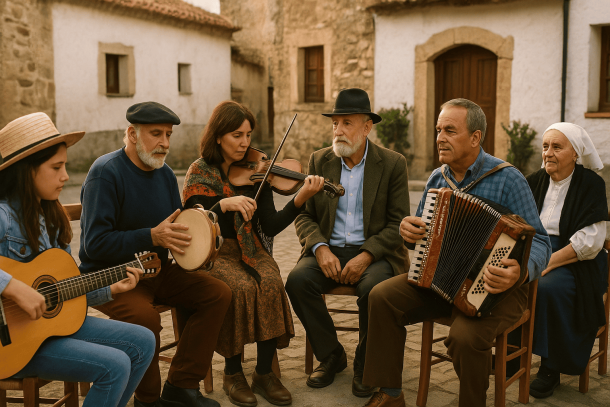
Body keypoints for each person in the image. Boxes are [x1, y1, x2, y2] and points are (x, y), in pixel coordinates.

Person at [361, 98, 552, 407]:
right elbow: (421, 233)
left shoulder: (508, 179)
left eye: (450, 130)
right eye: (438, 130)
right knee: (381, 297)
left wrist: (521, 270)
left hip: (497, 290)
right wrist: (408, 232)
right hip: (440, 282)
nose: (440, 138)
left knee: (464, 337)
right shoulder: (438, 178)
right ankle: (391, 393)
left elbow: (541, 241)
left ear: (475, 138)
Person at [78, 102, 232, 407]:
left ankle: (181, 385)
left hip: (157, 269)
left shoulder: (164, 174)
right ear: (132, 134)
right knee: (145, 318)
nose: (164, 142)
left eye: (168, 134)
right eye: (156, 134)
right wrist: (150, 236)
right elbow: (94, 244)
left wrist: (197, 238)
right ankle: (147, 400)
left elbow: (173, 226)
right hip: (113, 277)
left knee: (217, 293)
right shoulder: (105, 172)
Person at [0, 112, 155, 407]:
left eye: (65, 166)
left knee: (143, 342)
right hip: (13, 344)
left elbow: (63, 291)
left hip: (45, 332)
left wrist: (110, 288)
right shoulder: (4, 216)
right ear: (26, 171)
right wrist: (13, 287)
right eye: (56, 167)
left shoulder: (50, 218)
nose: (66, 176)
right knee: (115, 365)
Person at [182, 100, 324, 407]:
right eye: (237, 135)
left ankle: (263, 373)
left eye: (248, 135)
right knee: (238, 287)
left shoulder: (258, 171)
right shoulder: (199, 171)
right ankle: (232, 373)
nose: (245, 142)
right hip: (213, 253)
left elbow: (270, 225)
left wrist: (300, 198)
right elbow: (193, 222)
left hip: (249, 248)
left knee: (271, 281)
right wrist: (222, 205)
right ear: (218, 136)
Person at [285, 88, 410, 398]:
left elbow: (398, 223)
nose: (338, 130)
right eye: (335, 123)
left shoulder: (392, 163)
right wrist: (320, 248)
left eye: (346, 123)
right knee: (297, 281)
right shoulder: (319, 160)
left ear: (367, 127)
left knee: (375, 290)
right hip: (329, 248)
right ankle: (331, 355)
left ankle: (366, 364)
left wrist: (366, 255)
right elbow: (304, 216)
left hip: (375, 253)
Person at [525, 122, 608, 398]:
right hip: (536, 248)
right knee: (508, 279)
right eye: (545, 146)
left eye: (557, 147)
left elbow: (591, 241)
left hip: (578, 259)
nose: (548, 153)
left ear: (575, 153)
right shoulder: (534, 181)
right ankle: (513, 354)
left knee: (546, 288)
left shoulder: (591, 184)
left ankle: (551, 367)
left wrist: (547, 262)